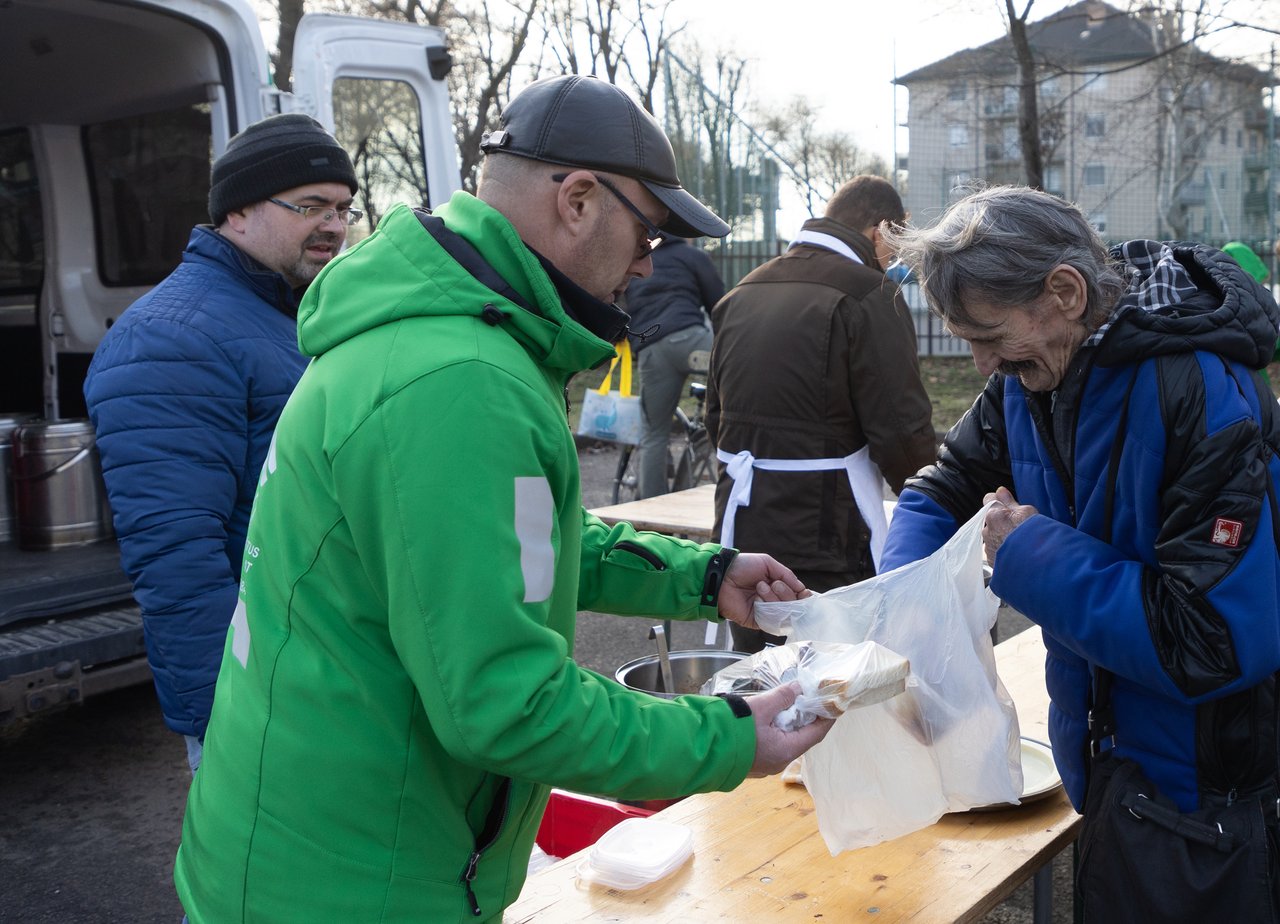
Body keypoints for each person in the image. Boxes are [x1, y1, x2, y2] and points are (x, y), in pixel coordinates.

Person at [173, 75, 834, 923]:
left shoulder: (454, 335)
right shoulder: (462, 381)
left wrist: (705, 578)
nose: (651, 259)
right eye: (651, 228)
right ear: (580, 200)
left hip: (310, 847)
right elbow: (507, 704)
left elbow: (511, 543)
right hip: (351, 886)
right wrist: (732, 736)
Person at [880, 186, 1280, 918]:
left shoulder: (1202, 392)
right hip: (1103, 765)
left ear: (1064, 292)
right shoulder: (1030, 375)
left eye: (985, 334)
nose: (978, 364)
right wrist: (899, 612)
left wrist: (1028, 554)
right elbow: (944, 485)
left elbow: (1212, 644)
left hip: (1197, 802)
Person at [83, 114, 359, 773]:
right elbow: (177, 556)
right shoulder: (171, 337)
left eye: (344, 207)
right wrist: (231, 716)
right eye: (310, 205)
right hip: (263, 697)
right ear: (237, 210)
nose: (334, 225)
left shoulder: (285, 316)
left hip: (324, 670)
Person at [706, 175, 937, 653]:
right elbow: (901, 433)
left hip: (739, 529)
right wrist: (938, 508)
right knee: (836, 693)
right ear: (881, 232)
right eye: (896, 246)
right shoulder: (871, 296)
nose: (894, 261)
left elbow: (715, 419)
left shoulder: (741, 293)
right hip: (829, 534)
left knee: (761, 687)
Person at [624, 233, 724, 497]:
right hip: (692, 341)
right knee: (735, 378)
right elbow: (720, 304)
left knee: (654, 433)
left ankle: (652, 510)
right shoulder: (692, 256)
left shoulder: (640, 261)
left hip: (652, 348)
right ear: (684, 236)